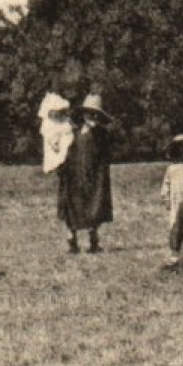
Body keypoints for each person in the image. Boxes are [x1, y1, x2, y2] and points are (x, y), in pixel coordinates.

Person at [56, 93, 113, 254]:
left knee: (94, 206)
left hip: (93, 176)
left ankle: (93, 241)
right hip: (73, 174)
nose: (92, 117)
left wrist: (101, 178)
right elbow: (62, 152)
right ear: (83, 113)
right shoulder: (72, 132)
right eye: (89, 113)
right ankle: (71, 241)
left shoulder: (102, 135)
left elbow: (104, 158)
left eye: (96, 114)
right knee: (71, 206)